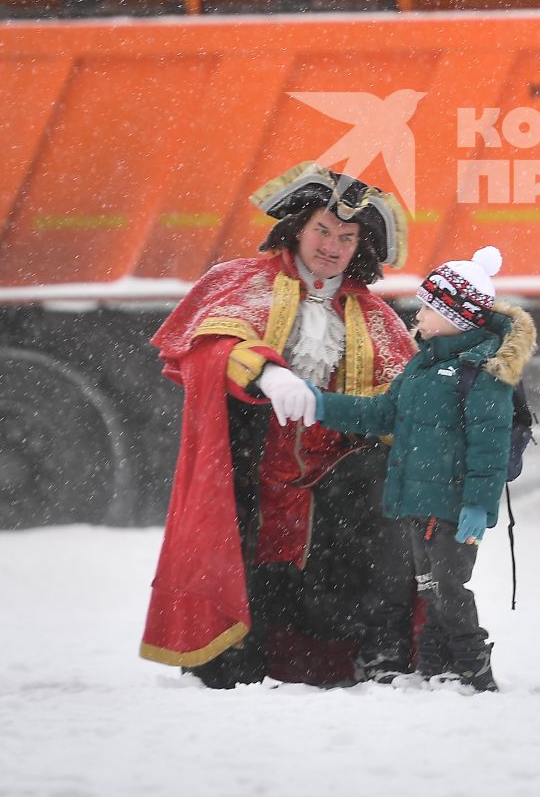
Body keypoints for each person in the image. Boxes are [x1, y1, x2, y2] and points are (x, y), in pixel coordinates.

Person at [139, 163, 418, 688]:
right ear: (297, 228)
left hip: (334, 481)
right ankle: (234, 662)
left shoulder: (376, 315)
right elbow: (208, 347)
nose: (331, 246)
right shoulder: (242, 283)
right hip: (252, 467)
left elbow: (400, 404)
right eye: (322, 231)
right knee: (242, 555)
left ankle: (375, 655)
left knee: (379, 515)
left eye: (346, 236)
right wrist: (264, 371)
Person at [304, 244, 535, 693]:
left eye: (429, 309)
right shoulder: (423, 366)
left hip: (453, 508)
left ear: (458, 317)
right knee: (430, 590)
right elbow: (380, 415)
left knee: (451, 589)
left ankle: (472, 666)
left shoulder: (482, 375)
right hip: (416, 504)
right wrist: (318, 404)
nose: (419, 317)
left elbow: (488, 451)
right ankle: (436, 666)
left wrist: (477, 508)